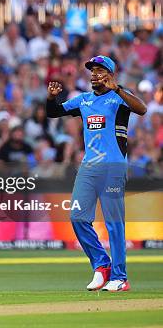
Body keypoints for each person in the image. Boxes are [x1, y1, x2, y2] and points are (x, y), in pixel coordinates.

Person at [46, 55, 147, 292]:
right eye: (92, 71)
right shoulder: (84, 100)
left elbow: (141, 109)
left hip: (113, 167)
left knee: (114, 223)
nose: (93, 74)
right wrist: (51, 98)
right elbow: (54, 112)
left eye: (99, 70)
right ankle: (102, 266)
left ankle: (120, 277)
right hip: (89, 168)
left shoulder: (119, 98)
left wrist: (119, 89)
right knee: (78, 217)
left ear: (110, 74)